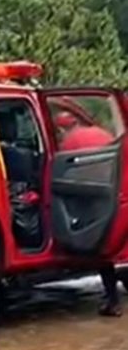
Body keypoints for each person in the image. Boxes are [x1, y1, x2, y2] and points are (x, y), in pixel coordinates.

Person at [54, 112, 122, 317]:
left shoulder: (69, 142)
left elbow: (60, 173)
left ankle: (113, 300)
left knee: (98, 249)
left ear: (61, 129)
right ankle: (113, 298)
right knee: (113, 246)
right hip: (112, 193)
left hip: (89, 198)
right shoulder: (101, 133)